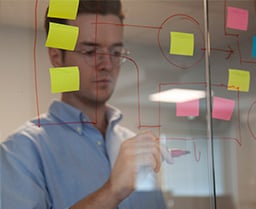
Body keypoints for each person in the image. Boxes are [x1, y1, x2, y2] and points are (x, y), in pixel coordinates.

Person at [0, 0, 173, 209]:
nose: (107, 65)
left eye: (116, 53)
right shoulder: (22, 151)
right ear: (57, 57)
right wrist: (111, 192)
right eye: (90, 52)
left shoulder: (135, 149)